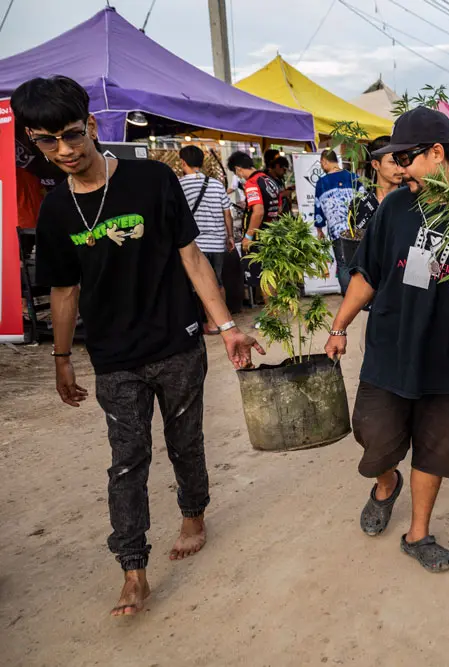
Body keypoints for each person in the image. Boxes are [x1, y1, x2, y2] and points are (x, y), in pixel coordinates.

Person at [11, 76, 263, 617]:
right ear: (33, 142)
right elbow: (63, 290)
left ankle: (193, 511)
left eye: (72, 134)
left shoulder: (152, 181)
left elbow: (192, 259)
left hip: (177, 343)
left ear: (93, 125)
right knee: (126, 461)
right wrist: (61, 359)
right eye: (46, 142)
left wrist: (225, 328)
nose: (65, 150)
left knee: (184, 442)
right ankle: (133, 567)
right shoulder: (55, 213)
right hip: (114, 357)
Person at [322, 107, 449, 573]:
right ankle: (386, 484)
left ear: (437, 153)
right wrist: (339, 326)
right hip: (391, 347)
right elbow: (367, 272)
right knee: (373, 434)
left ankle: (418, 533)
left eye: (406, 157)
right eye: (395, 159)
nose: (399, 168)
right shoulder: (394, 207)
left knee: (435, 448)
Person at [178, 145, 235, 334]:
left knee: (200, 283)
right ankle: (224, 323)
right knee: (218, 282)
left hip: (195, 245)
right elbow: (228, 214)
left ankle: (210, 324)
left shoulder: (180, 185)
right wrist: (230, 236)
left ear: (183, 162)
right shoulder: (217, 185)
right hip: (218, 241)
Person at [227, 151, 281, 304]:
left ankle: (272, 317)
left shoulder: (252, 183)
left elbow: (258, 211)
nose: (239, 177)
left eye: (237, 173)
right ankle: (274, 312)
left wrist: (249, 236)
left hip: (259, 237)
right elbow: (278, 207)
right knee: (271, 275)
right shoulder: (268, 180)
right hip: (272, 232)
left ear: (238, 169)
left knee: (264, 277)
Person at [313, 147, 360, 293]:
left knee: (343, 265)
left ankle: (349, 297)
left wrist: (319, 228)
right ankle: (362, 296)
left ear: (324, 161)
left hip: (337, 231)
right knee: (359, 262)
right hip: (358, 229)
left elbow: (318, 206)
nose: (322, 167)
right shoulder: (353, 177)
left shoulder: (322, 182)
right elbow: (364, 199)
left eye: (321, 164)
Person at [347, 135, 404, 237]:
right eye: (392, 162)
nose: (400, 169)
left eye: (402, 161)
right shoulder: (359, 205)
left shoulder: (413, 202)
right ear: (376, 164)